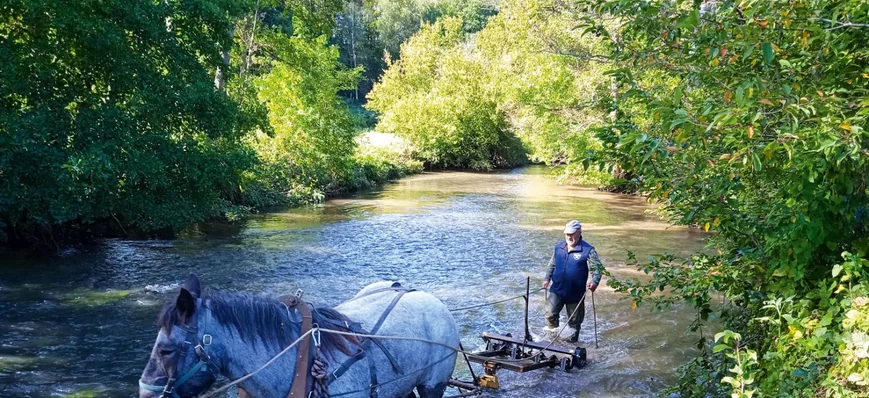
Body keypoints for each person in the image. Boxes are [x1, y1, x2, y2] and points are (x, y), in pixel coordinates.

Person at [542, 220, 603, 342]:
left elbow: (597, 268)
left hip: (576, 293)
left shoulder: (588, 250)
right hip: (557, 290)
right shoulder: (559, 247)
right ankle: (553, 341)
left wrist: (594, 282)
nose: (569, 237)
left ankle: (572, 346)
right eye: (567, 234)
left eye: (571, 234)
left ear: (579, 233)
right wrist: (546, 278)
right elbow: (552, 264)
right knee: (550, 314)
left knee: (574, 323)